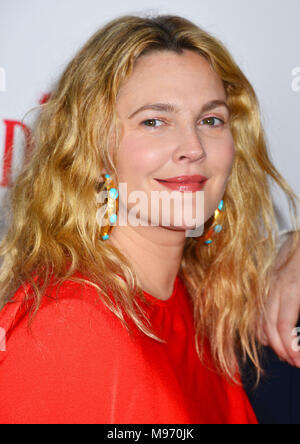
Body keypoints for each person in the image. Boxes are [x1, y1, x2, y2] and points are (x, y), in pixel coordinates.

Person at [0, 13, 299, 425]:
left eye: (211, 120)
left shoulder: (206, 300)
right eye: (154, 121)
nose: (192, 146)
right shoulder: (69, 327)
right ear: (92, 147)